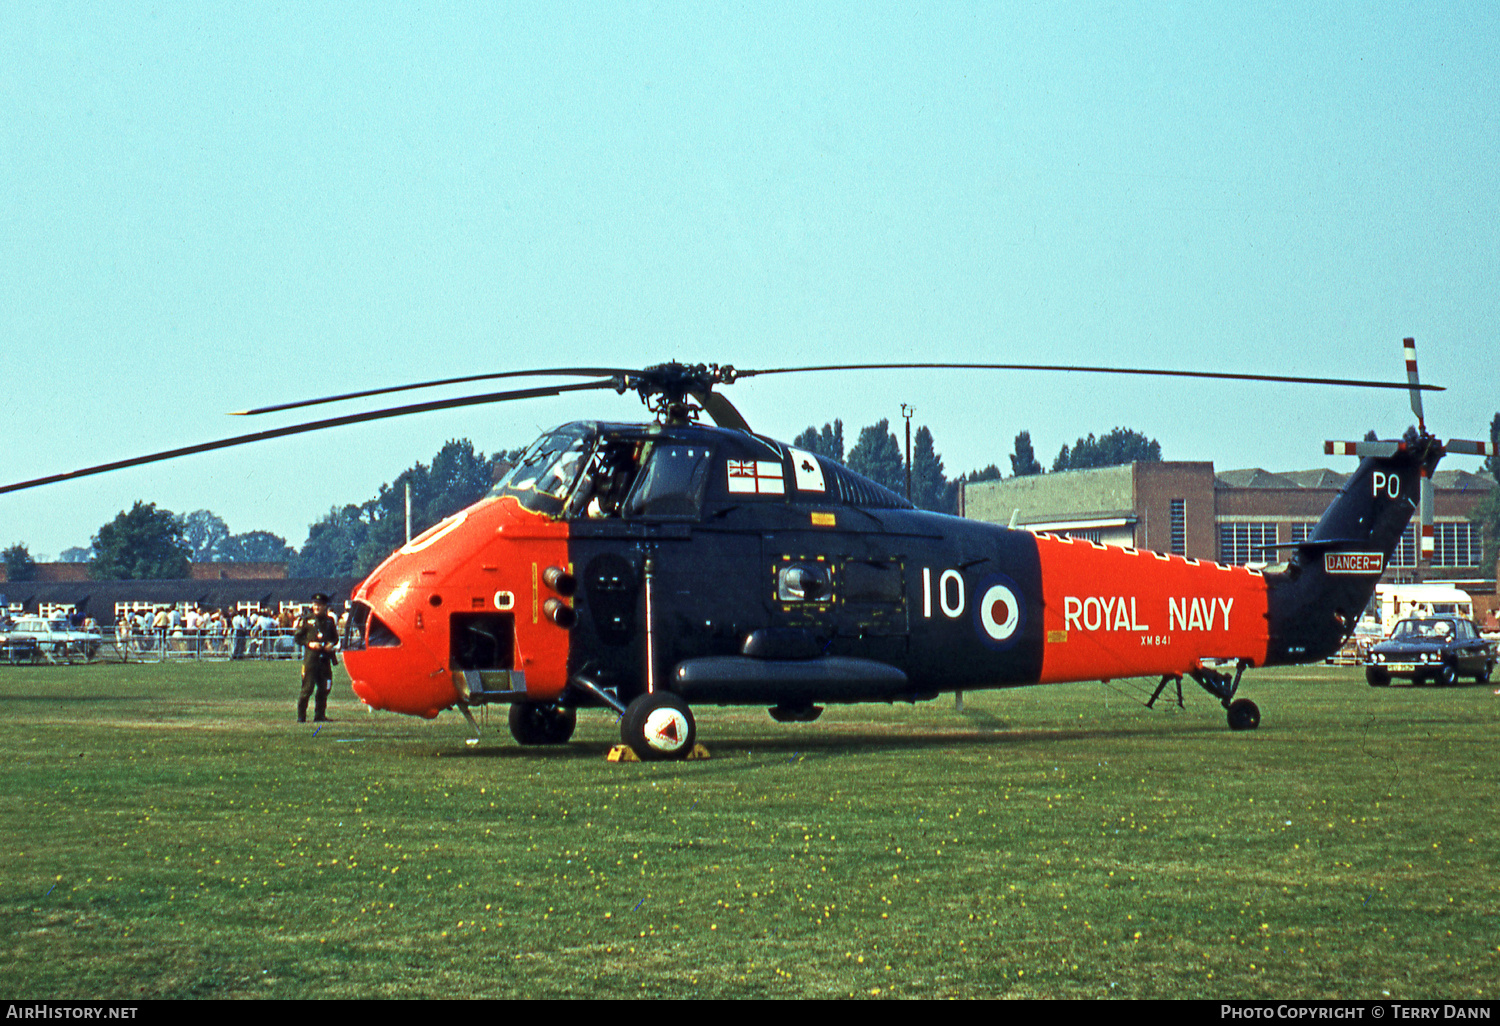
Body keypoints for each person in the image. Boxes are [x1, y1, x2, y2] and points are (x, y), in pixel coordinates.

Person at [293, 593, 340, 723]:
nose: (316, 607)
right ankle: (301, 717)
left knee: (324, 688)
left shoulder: (329, 621)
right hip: (311, 660)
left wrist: (331, 644)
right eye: (315, 604)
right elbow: (298, 638)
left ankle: (319, 715)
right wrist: (309, 644)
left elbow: (335, 638)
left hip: (324, 660)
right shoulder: (307, 620)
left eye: (319, 605)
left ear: (325, 606)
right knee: (307, 689)